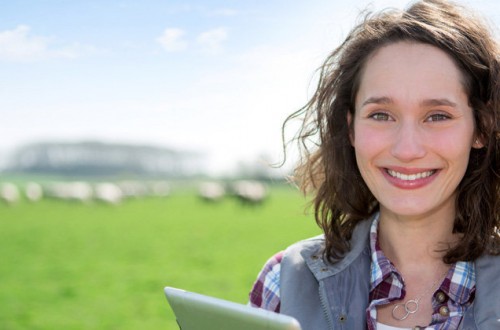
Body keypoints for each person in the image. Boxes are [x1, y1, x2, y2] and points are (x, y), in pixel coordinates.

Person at [249, 0, 500, 329]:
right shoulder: (284, 281)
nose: (406, 149)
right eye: (381, 115)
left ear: (481, 128)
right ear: (351, 128)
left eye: (438, 116)